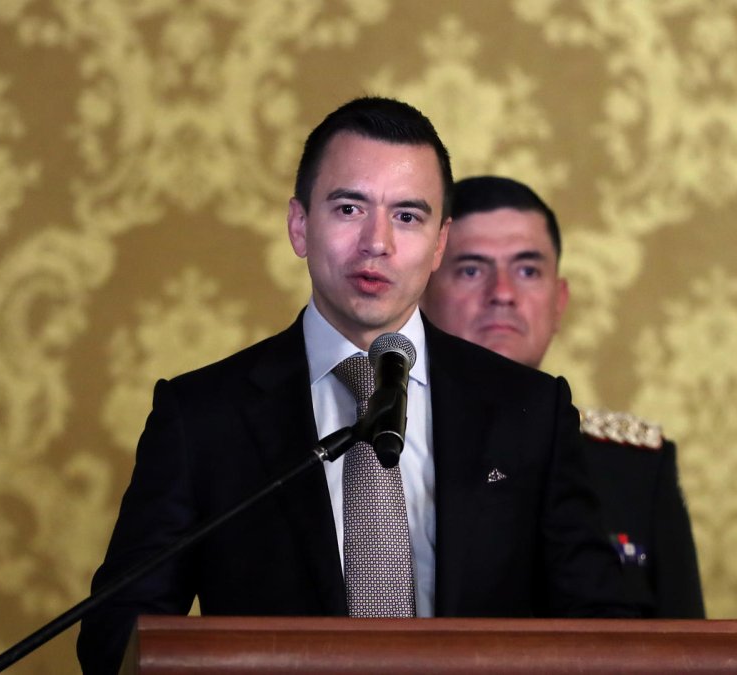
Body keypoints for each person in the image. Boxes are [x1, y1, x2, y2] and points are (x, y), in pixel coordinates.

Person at [77, 100, 633, 674]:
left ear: (440, 244)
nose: (378, 242)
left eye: (408, 217)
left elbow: (603, 622)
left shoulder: (530, 412)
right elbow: (116, 633)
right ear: (300, 225)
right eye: (349, 208)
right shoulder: (202, 416)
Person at [421, 175, 705, 618]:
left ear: (559, 301)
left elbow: (683, 648)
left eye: (528, 270)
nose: (501, 294)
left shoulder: (636, 465)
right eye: (471, 269)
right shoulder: (385, 449)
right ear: (421, 297)